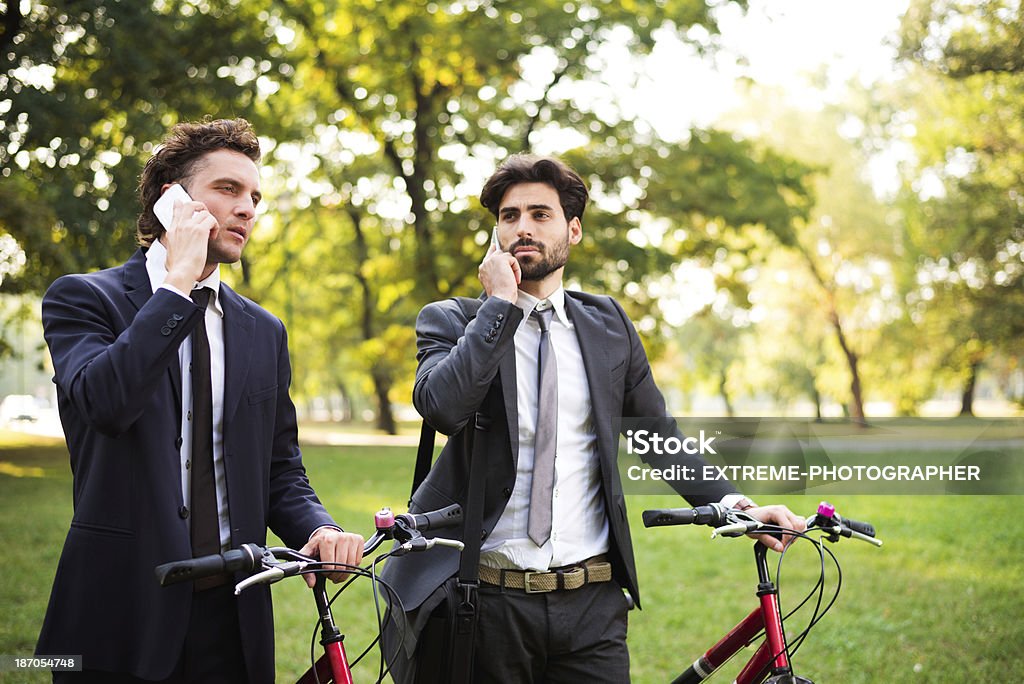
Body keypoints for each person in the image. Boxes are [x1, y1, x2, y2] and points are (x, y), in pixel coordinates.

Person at [382, 153, 806, 683]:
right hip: (483, 601)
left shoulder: (608, 326)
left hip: (592, 607)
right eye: (509, 217)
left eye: (540, 214)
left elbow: (657, 434)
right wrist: (500, 305)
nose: (523, 228)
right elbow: (444, 407)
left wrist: (733, 505)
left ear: (573, 229)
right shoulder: (454, 320)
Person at [35, 118, 364, 683]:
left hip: (233, 614)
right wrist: (176, 286)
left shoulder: (264, 330)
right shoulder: (83, 298)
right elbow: (107, 403)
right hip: (119, 609)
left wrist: (317, 529)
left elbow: (280, 468)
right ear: (172, 202)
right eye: (228, 190)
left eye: (255, 196)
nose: (247, 209)